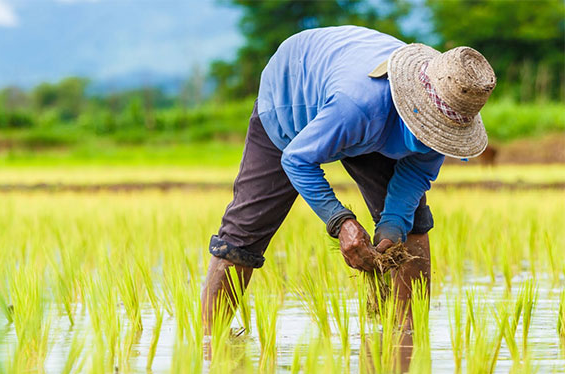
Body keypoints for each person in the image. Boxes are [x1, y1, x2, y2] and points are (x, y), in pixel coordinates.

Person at [201, 25, 496, 331]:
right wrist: (341, 222)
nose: (435, 138)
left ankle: (407, 335)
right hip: (293, 96)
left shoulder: (449, 112)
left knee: (412, 225)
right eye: (431, 129)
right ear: (414, 110)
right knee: (245, 231)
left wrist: (393, 224)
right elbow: (297, 159)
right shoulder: (358, 105)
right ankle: (210, 339)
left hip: (370, 118)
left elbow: (417, 172)